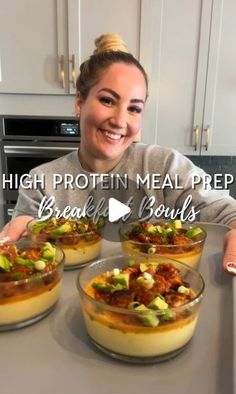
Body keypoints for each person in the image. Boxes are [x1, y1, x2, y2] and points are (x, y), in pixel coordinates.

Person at [0, 32, 236, 274]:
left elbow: (226, 211)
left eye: (134, 108)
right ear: (80, 102)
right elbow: (18, 262)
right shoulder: (41, 182)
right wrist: (21, 232)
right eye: (108, 100)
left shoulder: (165, 166)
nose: (120, 121)